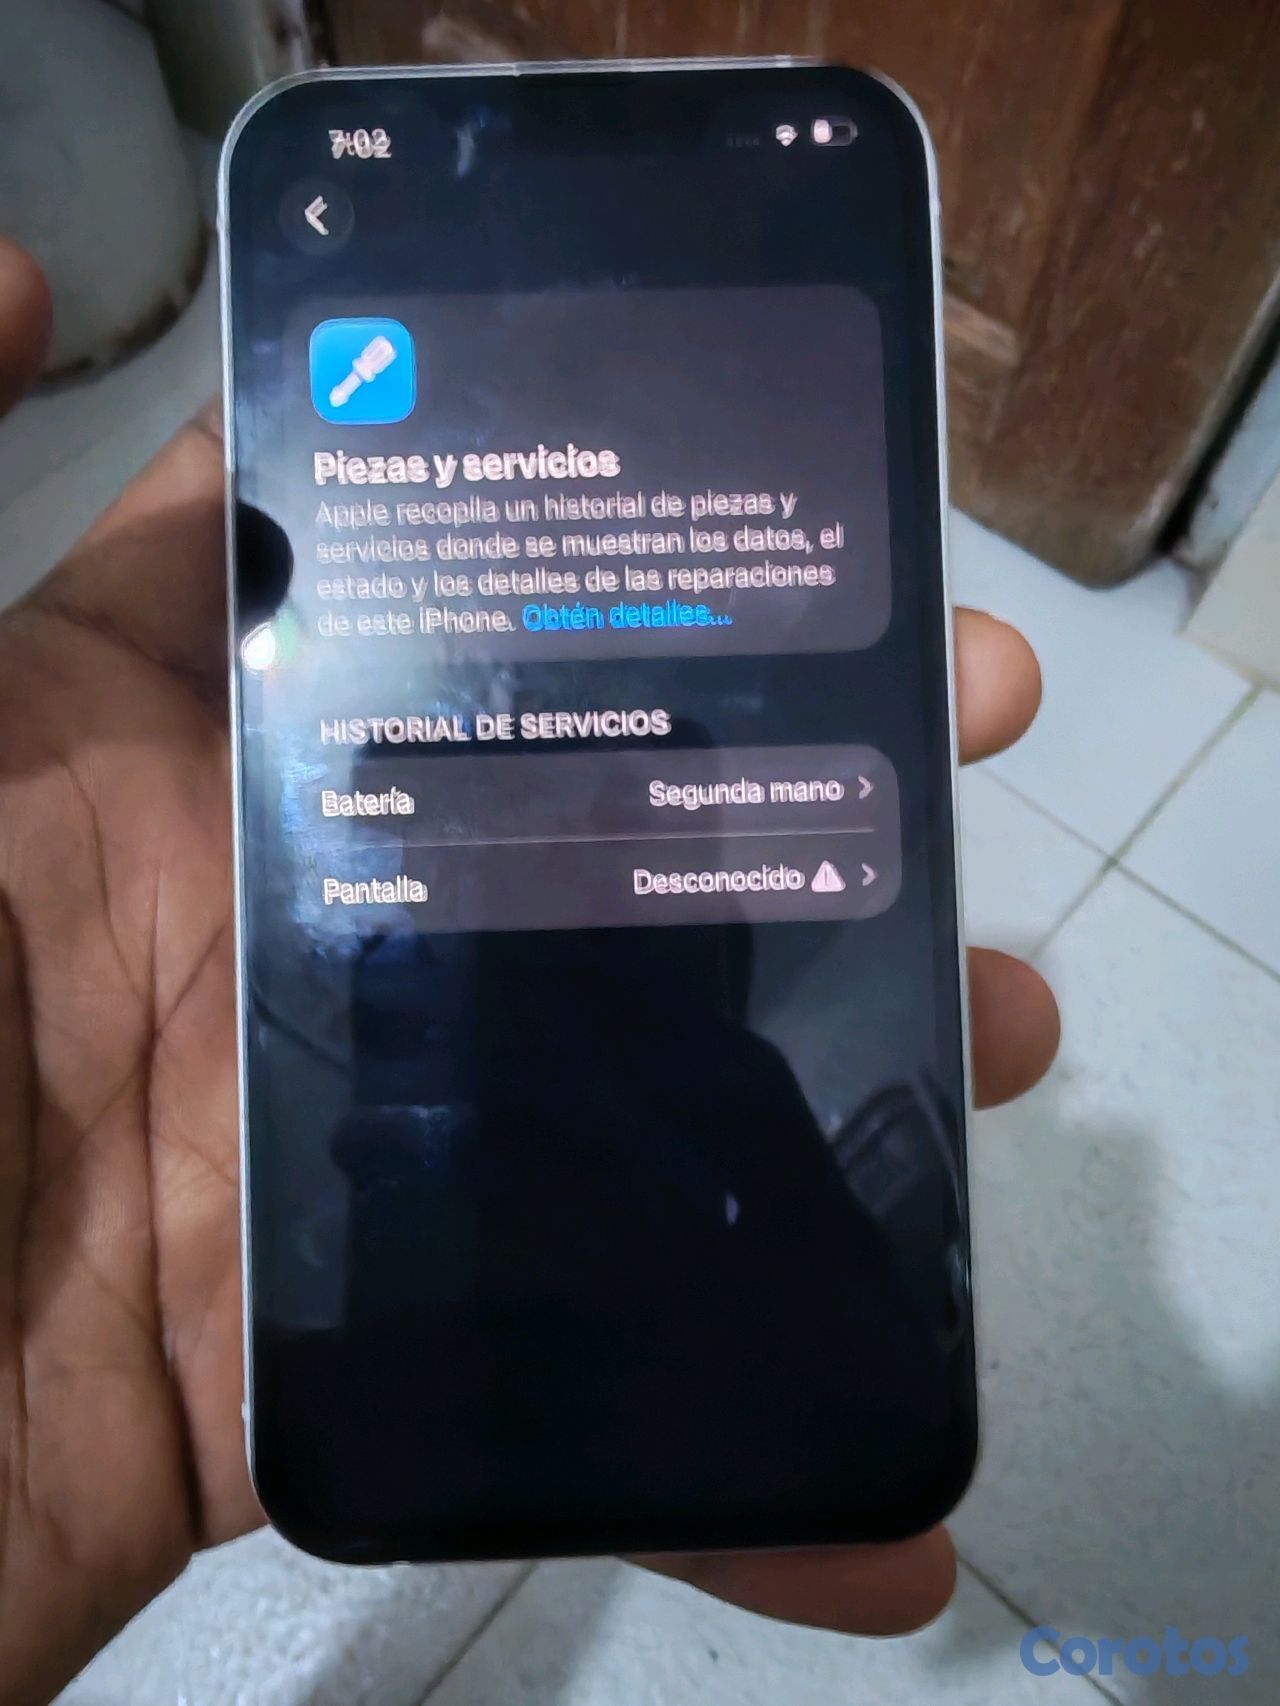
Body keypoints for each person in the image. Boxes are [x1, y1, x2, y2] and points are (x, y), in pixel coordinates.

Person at [0, 238, 1060, 1705]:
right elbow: (855, 1348)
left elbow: (850, 1336)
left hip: (422, 1348)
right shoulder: (728, 1087)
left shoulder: (719, 1092)